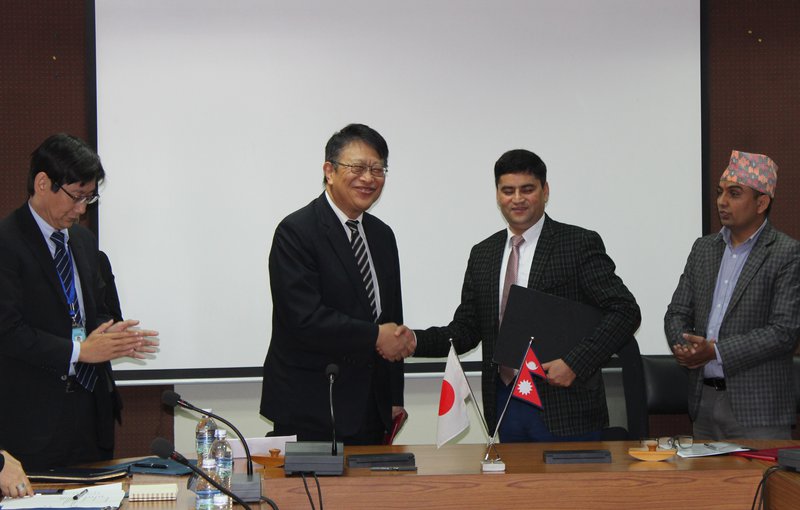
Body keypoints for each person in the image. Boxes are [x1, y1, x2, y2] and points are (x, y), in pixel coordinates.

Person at [401, 149, 640, 442]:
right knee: (514, 488)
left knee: (569, 490)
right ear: (498, 194)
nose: (517, 199)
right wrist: (412, 341)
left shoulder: (577, 244)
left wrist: (576, 363)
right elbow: (466, 330)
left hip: (565, 405)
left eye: (527, 189)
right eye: (508, 190)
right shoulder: (483, 254)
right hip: (505, 403)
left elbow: (625, 311)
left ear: (545, 191)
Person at [0, 133, 159, 469]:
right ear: (43, 183)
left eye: (90, 198)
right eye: (76, 197)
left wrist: (115, 338)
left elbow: (94, 310)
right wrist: (78, 351)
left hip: (91, 413)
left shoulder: (84, 242)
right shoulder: (7, 243)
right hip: (33, 423)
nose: (81, 210)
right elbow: (8, 331)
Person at [260, 123, 415, 444]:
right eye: (357, 167)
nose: (369, 178)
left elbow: (392, 321)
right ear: (329, 171)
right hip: (313, 405)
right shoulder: (297, 231)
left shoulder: (382, 235)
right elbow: (304, 318)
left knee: (374, 495)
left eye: (378, 169)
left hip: (372, 407)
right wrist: (375, 335)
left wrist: (394, 396)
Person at [665, 150, 800, 440]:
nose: (722, 202)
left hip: (759, 410)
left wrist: (716, 351)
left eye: (734, 194)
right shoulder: (703, 249)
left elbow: (784, 331)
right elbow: (677, 312)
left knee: (762, 487)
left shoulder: (786, 253)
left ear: (762, 202)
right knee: (706, 487)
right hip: (703, 403)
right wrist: (685, 346)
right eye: (720, 192)